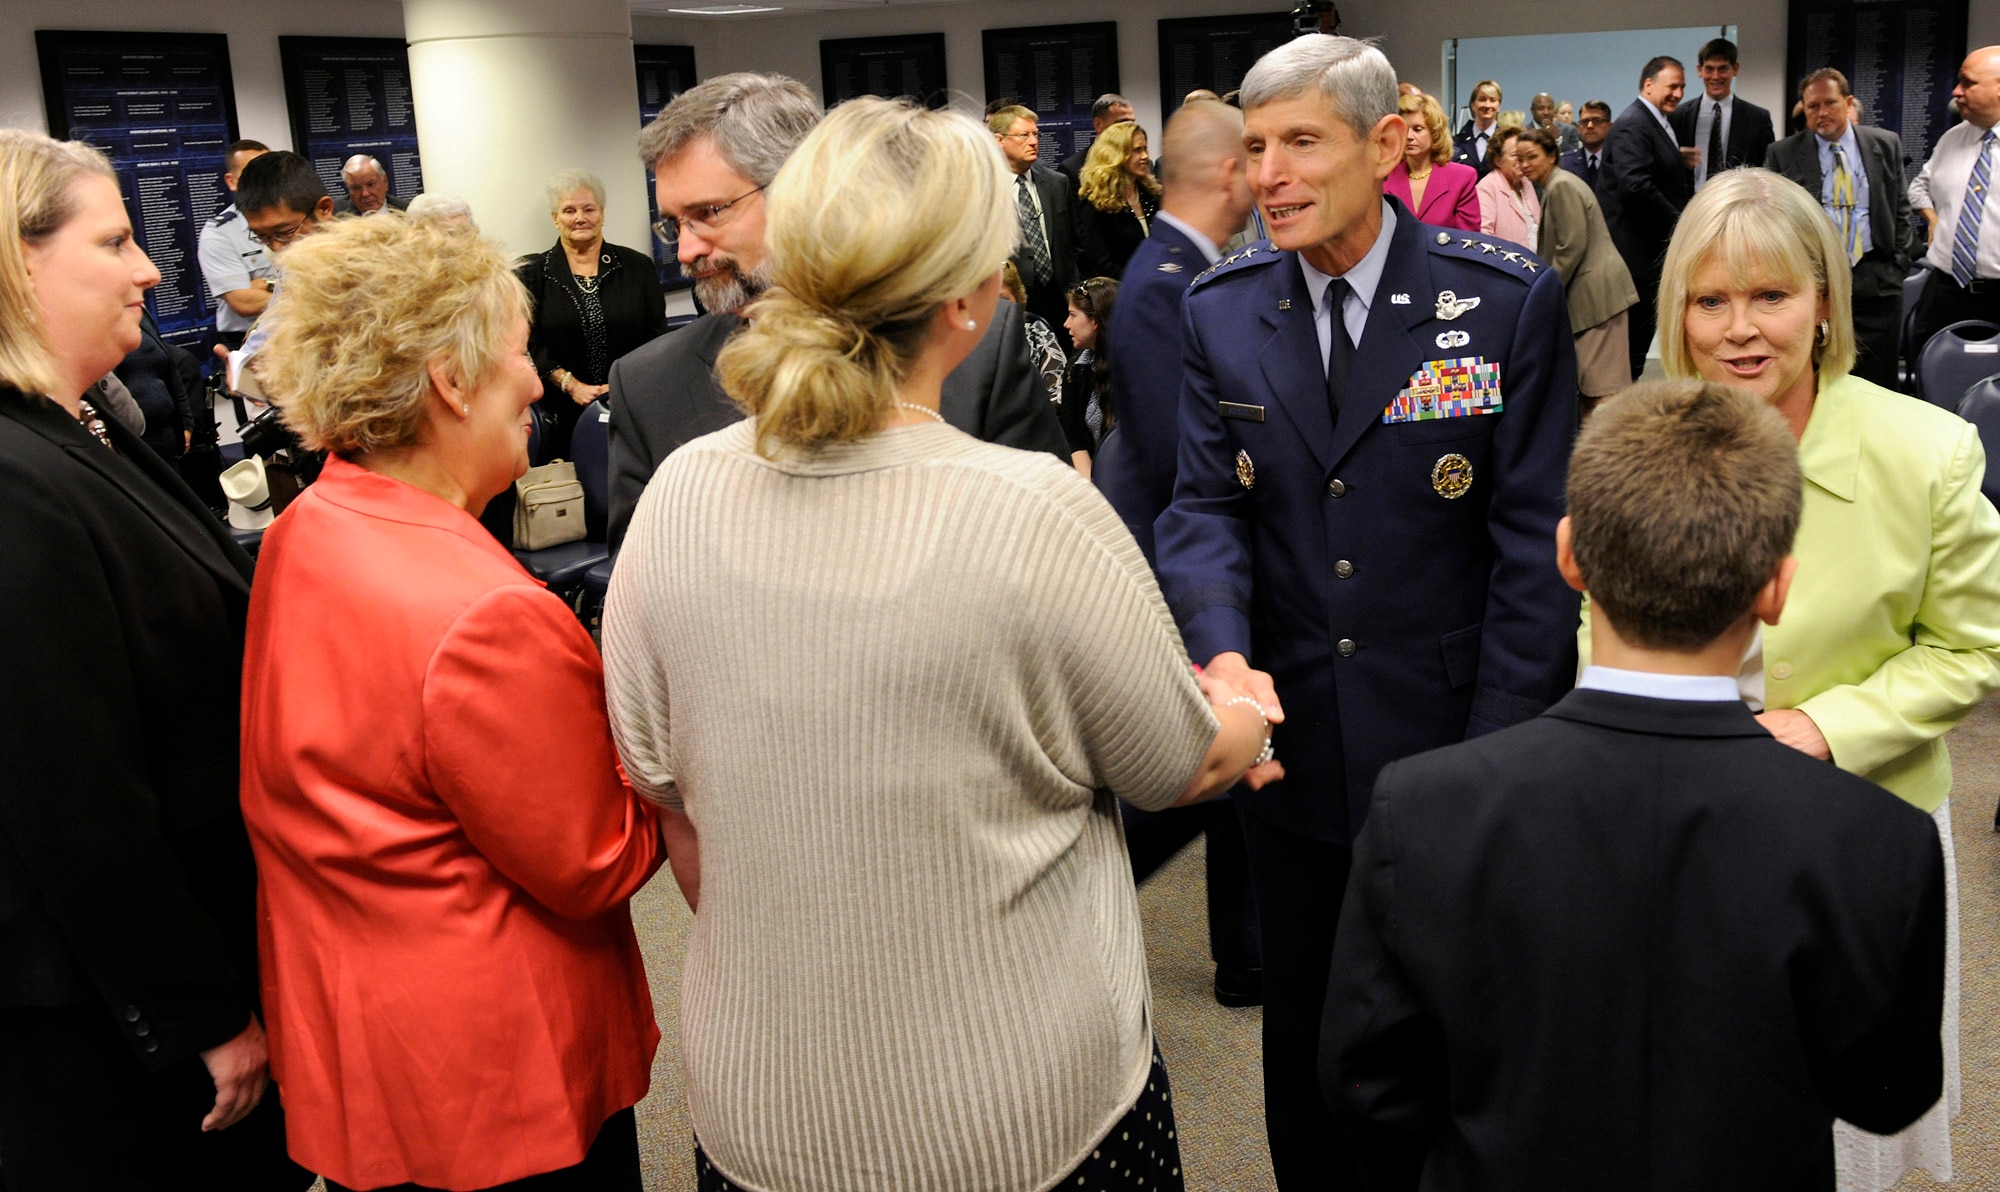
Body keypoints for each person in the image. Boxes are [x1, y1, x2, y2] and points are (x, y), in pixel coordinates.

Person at [601, 95, 1282, 1192]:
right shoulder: (1032, 507)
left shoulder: (678, 493)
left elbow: (655, 772)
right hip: (1022, 1121)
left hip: (764, 1114)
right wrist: (1244, 704)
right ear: (970, 299)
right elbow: (1178, 759)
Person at [1320, 379, 1948, 1189]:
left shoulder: (1422, 809)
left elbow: (1365, 1084)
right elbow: (1888, 1096)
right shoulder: (1881, 840)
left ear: (1569, 556)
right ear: (1777, 588)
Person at [1154, 35, 1580, 1189]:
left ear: (1385, 142)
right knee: (1308, 1042)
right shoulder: (1222, 311)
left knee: (1456, 1035)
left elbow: (1529, 552)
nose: (1271, 174)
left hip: (1454, 743)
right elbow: (1201, 510)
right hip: (1291, 749)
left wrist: (1495, 761)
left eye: (1301, 141)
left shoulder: (1499, 301)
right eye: (1254, 148)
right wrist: (1224, 656)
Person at [241, 214, 672, 1192]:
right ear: (448, 377)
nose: (532, 383)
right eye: (520, 356)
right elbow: (594, 856)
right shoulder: (480, 614)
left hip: (372, 1043)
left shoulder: (310, 528)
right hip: (496, 1075)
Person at [1647, 165, 2000, 1192]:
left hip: (1862, 822)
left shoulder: (1923, 450)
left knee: (1841, 1114)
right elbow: (1595, 628)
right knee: (1700, 1099)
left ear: (1822, 303)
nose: (1738, 328)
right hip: (1681, 822)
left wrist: (1823, 727)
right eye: (1709, 299)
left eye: (1770, 295)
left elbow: (1970, 646)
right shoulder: (1638, 442)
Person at [0, 128, 311, 1192]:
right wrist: (201, 1012)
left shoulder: (81, 426)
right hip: (115, 1030)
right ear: (17, 261)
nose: (148, 268)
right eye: (115, 240)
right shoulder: (14, 476)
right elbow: (72, 791)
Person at [608, 73, 1070, 549]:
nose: (685, 250)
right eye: (673, 223)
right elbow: (643, 595)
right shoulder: (648, 386)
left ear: (799, 188)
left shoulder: (972, 342)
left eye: (709, 213)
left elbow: (1050, 545)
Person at [1096, 97, 1266, 1010]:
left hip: (1177, 554)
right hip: (1170, 560)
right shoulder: (1167, 282)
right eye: (1261, 158)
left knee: (1225, 767)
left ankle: (1249, 954)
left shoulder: (1178, 267)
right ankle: (1241, 955)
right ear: (1231, 173)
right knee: (1198, 769)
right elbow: (1178, 462)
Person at [1766, 68, 1914, 389]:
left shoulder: (1884, 144)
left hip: (1877, 278)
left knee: (1879, 376)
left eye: (1829, 103)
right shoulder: (1783, 154)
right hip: (1816, 280)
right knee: (1822, 373)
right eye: (1812, 107)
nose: (1821, 113)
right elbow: (1774, 218)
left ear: (1848, 103)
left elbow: (1901, 206)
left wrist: (1898, 264)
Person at [518, 168, 668, 461]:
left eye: (589, 209)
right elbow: (530, 342)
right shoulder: (532, 274)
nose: (580, 218)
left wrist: (623, 385)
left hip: (630, 405)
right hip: (561, 414)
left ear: (602, 214)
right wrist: (571, 385)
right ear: (555, 218)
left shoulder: (637, 268)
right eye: (569, 210)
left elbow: (656, 337)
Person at [1516, 126, 1637, 408]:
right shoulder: (1558, 184)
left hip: (1597, 299)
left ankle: (1609, 451)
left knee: (1602, 389)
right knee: (1594, 387)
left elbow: (1570, 247)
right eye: (1520, 158)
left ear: (1552, 156)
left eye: (1532, 157)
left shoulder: (1561, 186)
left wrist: (1544, 291)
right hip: (1595, 297)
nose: (1524, 165)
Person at [1599, 56, 1694, 378]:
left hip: (1647, 255)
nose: (1678, 93)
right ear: (1649, 85)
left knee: (1638, 347)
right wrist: (1683, 226)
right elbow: (1636, 187)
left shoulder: (1656, 121)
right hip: (1636, 259)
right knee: (1632, 350)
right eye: (1672, 86)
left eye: (1682, 87)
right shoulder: (1634, 122)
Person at [1908, 45, 2000, 357]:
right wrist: (1933, 219)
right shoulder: (1951, 140)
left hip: (1998, 294)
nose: (1956, 91)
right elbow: (1919, 187)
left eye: (1968, 82)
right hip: (1946, 291)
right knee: (1930, 378)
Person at [992, 104, 1086, 347]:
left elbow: (1075, 244)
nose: (1033, 141)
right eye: (1024, 135)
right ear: (999, 140)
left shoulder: (1057, 183)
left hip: (1060, 299)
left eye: (1036, 134)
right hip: (1013, 301)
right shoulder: (983, 190)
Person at [196, 139, 275, 348]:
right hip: (248, 337)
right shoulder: (219, 233)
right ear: (232, 181)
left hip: (294, 329)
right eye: (251, 176)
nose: (263, 183)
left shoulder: (295, 219)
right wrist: (302, 298)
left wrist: (266, 284)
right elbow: (242, 301)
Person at [1672, 37, 1776, 192]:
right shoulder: (1678, 116)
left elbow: (1767, 173)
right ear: (1699, 70)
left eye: (1723, 69)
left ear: (1735, 69)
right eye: (1709, 69)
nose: (1715, 76)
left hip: (1737, 206)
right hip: (1690, 207)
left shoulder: (1758, 119)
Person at [1076, 120, 1161, 278]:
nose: (1145, 156)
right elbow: (1101, 263)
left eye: (1145, 149)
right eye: (1137, 150)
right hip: (1121, 292)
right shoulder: (1096, 203)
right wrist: (1137, 283)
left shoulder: (1152, 194)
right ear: (1116, 155)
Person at [1384, 91, 1479, 231]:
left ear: (1434, 133)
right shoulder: (1385, 176)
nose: (1409, 136)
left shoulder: (1462, 178)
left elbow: (1468, 241)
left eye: (1418, 129)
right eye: (1404, 129)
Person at [1001, 259, 1069, 427]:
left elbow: (1058, 395)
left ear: (1018, 300)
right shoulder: (968, 345)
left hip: (1037, 429)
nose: (996, 308)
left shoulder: (1038, 336)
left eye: (1002, 300)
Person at [1062, 275, 1118, 458]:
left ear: (1094, 321)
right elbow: (1074, 439)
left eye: (1072, 315)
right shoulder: (1076, 367)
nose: (1066, 324)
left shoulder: (1133, 368)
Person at [1475, 126, 1540, 251]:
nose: (1522, 160)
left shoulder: (1526, 182)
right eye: (1515, 155)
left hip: (1536, 266)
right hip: (1506, 267)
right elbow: (1484, 237)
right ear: (1498, 160)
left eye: (1524, 155)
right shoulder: (1486, 188)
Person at [1057, 91, 1135, 182]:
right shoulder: (1072, 168)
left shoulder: (1143, 164)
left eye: (1132, 123)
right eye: (1122, 123)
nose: (1131, 129)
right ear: (1098, 124)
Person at [1452, 79, 1504, 176]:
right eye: (1482, 99)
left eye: (1492, 100)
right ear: (1473, 104)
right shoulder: (1457, 142)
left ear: (1499, 105)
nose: (1487, 105)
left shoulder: (1506, 141)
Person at [332, 154, 407, 216]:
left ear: (385, 182)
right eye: (356, 188)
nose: (365, 194)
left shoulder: (407, 211)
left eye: (370, 185)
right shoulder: (335, 213)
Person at [1563, 99, 1612, 189]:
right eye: (1585, 122)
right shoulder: (1565, 163)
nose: (1590, 126)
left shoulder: (1620, 162)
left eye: (1597, 121)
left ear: (1609, 127)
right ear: (1579, 128)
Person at [1530, 91, 1581, 156]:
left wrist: (1557, 140)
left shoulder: (1569, 130)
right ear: (1532, 110)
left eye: (1550, 108)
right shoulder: (1524, 131)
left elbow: (1574, 157)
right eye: (1541, 108)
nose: (1546, 112)